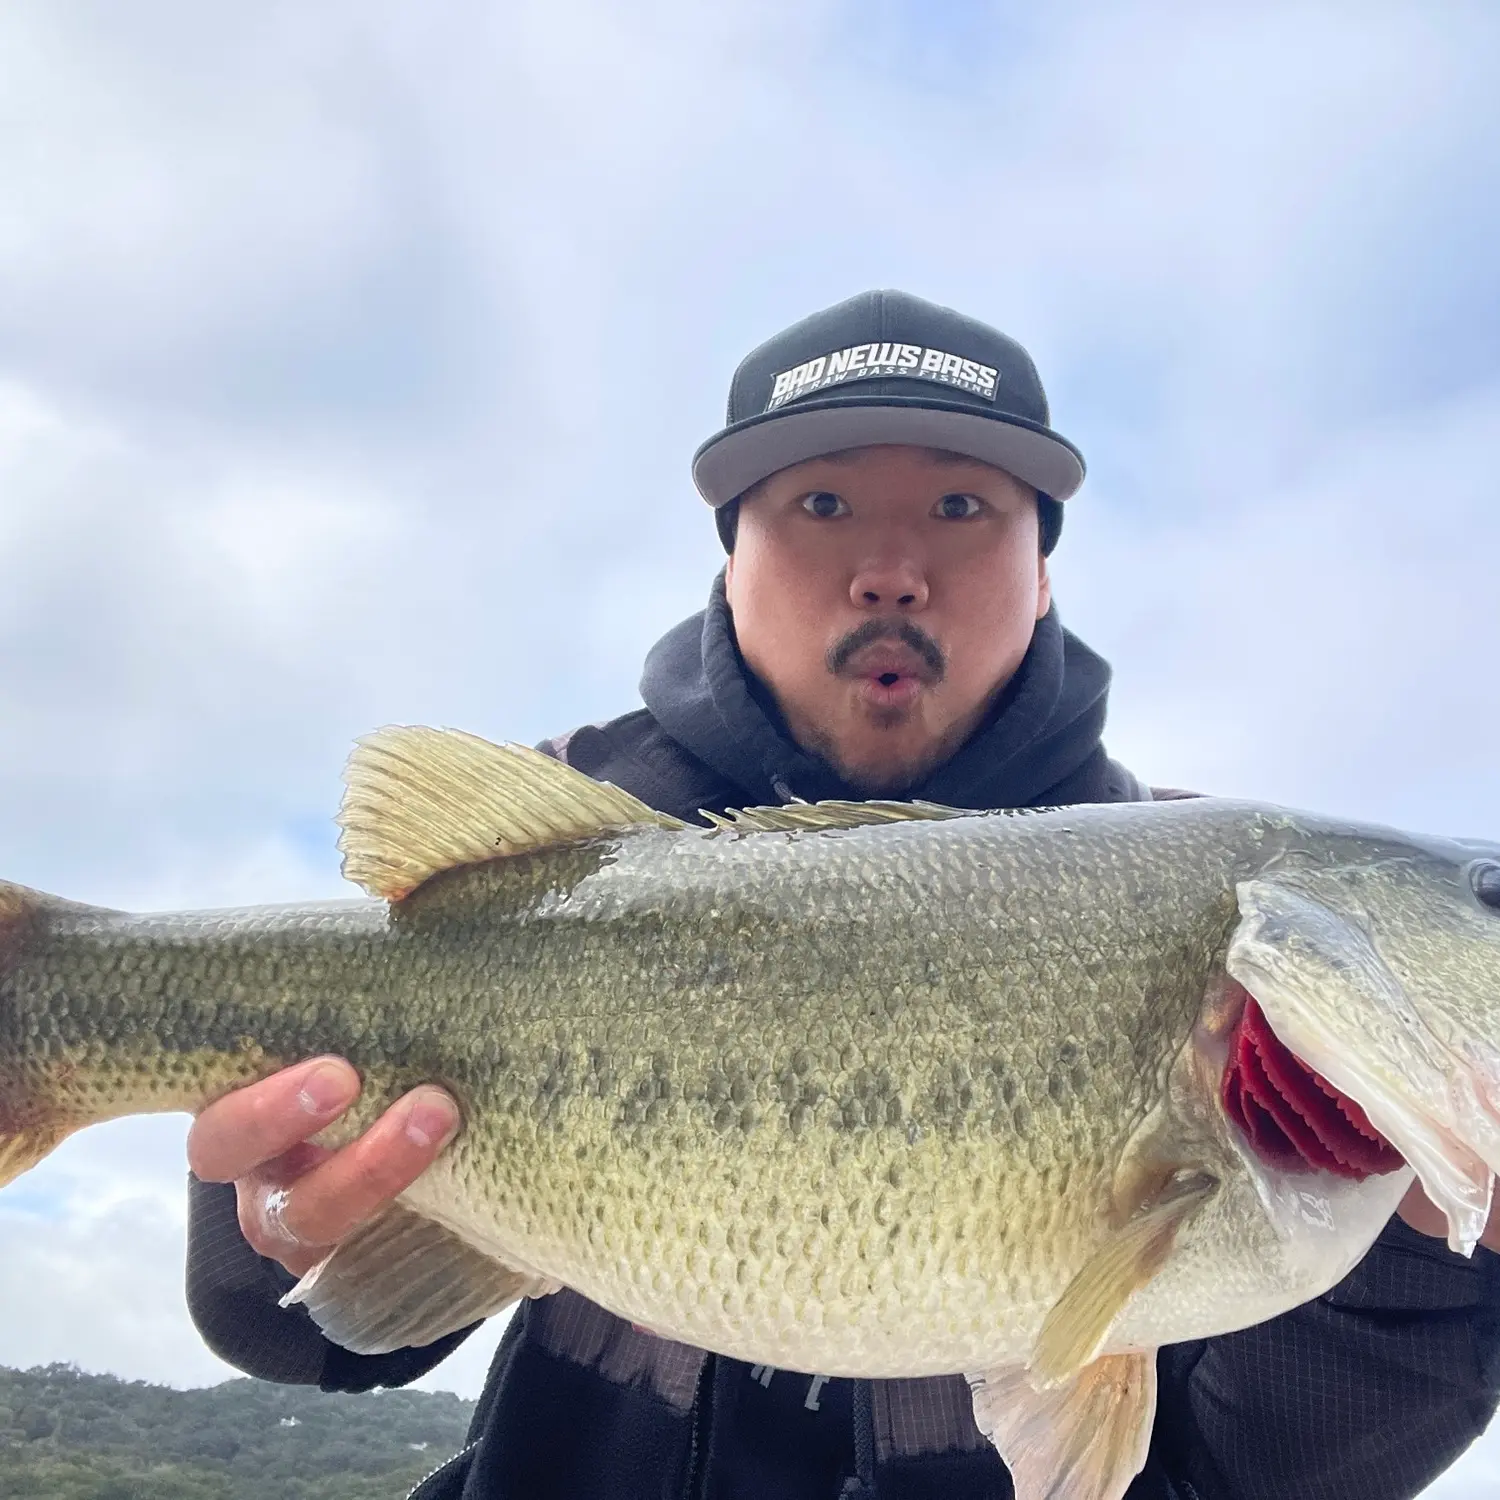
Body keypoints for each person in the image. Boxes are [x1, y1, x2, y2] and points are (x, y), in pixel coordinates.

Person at [184, 290, 1500, 1499]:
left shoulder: (1199, 900)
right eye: (818, 506)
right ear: (728, 561)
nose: (889, 567)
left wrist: (1439, 1263)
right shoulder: (548, 847)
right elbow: (292, 1338)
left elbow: (1234, 1480)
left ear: (1045, 571)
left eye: (961, 510)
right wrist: (281, 1235)